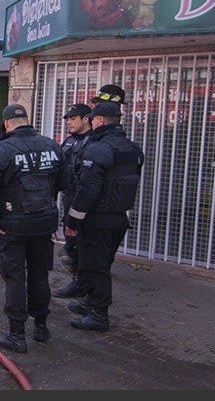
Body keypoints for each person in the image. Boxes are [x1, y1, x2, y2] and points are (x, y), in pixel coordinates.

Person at [0, 103, 66, 353]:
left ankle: (17, 335)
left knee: (15, 279)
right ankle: (41, 327)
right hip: (43, 224)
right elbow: (66, 181)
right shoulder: (51, 146)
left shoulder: (1, 150)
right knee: (39, 275)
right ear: (28, 119)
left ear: (6, 124)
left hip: (12, 227)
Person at [63, 101, 144, 333]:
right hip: (118, 218)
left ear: (98, 121)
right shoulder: (133, 148)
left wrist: (73, 220)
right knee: (100, 264)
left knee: (93, 267)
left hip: (97, 219)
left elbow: (88, 189)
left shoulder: (98, 149)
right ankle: (90, 302)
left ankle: (99, 315)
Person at [52, 103, 92, 298]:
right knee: (71, 238)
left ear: (86, 119)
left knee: (85, 242)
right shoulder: (68, 141)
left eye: (73, 118)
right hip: (69, 196)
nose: (69, 122)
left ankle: (85, 283)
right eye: (67, 119)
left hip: (86, 199)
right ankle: (78, 281)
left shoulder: (93, 141)